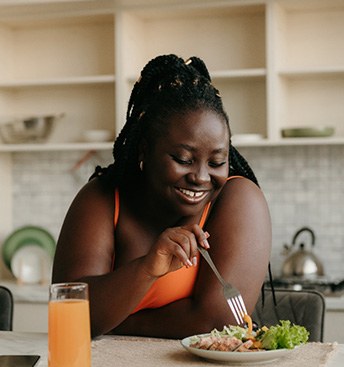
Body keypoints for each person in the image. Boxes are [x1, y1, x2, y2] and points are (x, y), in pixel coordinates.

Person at [52, 54, 271, 339]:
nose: (202, 177)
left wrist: (119, 322)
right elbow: (70, 311)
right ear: (144, 151)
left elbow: (218, 322)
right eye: (183, 158)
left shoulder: (239, 200)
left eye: (217, 162)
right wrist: (145, 269)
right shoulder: (103, 197)